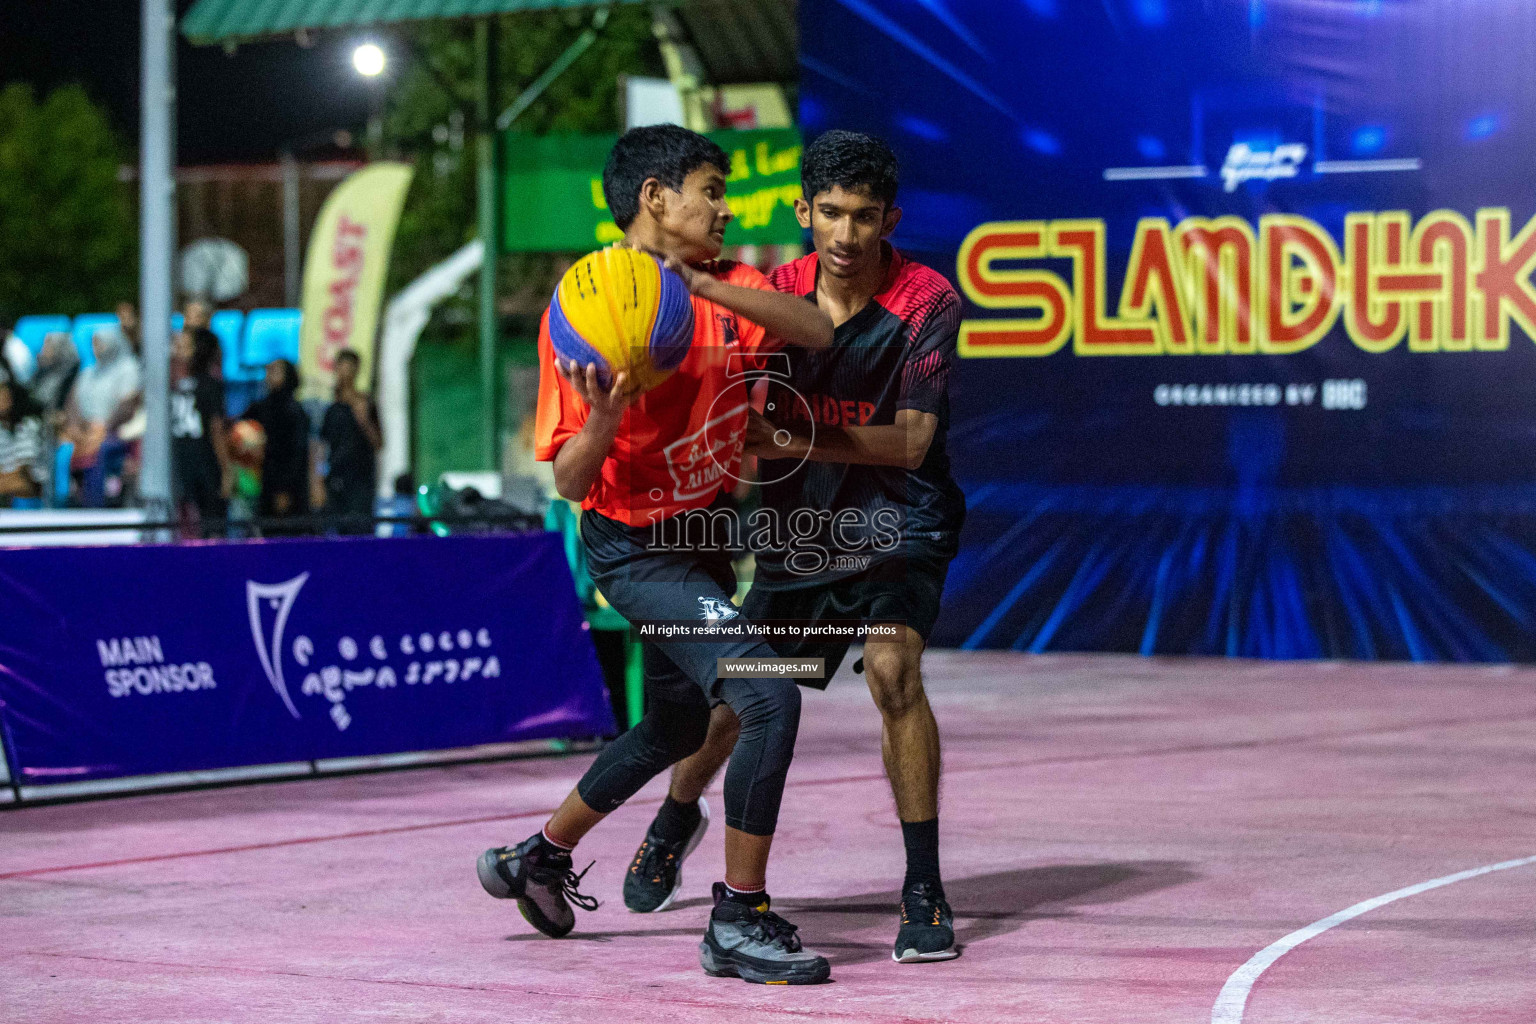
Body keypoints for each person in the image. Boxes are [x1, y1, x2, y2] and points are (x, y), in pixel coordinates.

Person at [476, 124, 836, 985]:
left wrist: (712, 284)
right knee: (769, 698)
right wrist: (604, 413)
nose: (724, 205)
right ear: (654, 197)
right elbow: (568, 480)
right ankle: (739, 918)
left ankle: (540, 854)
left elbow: (817, 329)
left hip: (703, 532)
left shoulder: (726, 284)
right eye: (711, 188)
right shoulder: (592, 302)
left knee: (681, 721)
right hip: (636, 547)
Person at [623, 131, 968, 964]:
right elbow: (720, 407)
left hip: (900, 528)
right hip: (799, 536)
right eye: (831, 215)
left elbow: (913, 442)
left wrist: (794, 435)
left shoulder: (927, 301)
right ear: (802, 210)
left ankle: (922, 885)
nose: (846, 237)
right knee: (742, 698)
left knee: (893, 670)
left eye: (864, 218)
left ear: (890, 219)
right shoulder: (769, 297)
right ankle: (676, 819)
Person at [63, 327, 141, 507]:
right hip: (88, 431)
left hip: (118, 432)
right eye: (94, 344)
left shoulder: (129, 368)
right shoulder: (89, 373)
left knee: (99, 450)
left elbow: (128, 406)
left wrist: (104, 427)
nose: (96, 348)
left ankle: (95, 506)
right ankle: (63, 503)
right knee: (63, 450)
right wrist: (76, 428)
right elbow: (72, 404)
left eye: (100, 343)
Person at [170, 327, 230, 533]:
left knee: (189, 524)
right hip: (205, 462)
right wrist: (226, 470)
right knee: (212, 525)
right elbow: (216, 429)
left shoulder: (176, 385)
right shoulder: (210, 385)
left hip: (182, 461)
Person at [244, 358, 311, 525]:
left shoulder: (294, 411)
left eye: (275, 371)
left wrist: (285, 489)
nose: (268, 375)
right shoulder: (261, 407)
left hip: (288, 486)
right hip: (264, 482)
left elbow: (297, 452)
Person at [318, 350, 379, 530]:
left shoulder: (366, 403)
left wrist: (364, 421)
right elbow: (322, 446)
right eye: (341, 368)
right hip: (335, 479)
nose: (344, 373)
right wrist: (319, 480)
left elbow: (379, 443)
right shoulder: (332, 410)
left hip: (361, 481)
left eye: (349, 368)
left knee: (359, 529)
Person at [0, 378, 44, 506]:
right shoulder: (2, 430)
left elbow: (26, 477)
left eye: (4, 397)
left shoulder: (28, 425)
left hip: (33, 493)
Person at [30, 332, 79, 421]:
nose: (43, 351)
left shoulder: (72, 377)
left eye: (48, 346)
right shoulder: (42, 373)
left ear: (60, 349)